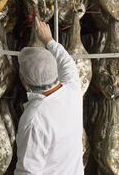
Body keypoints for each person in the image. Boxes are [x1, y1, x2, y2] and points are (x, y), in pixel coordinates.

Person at [14, 17, 84, 175]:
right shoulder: (72, 91)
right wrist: (49, 40)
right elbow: (68, 64)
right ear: (54, 69)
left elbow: (27, 172)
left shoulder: (34, 119)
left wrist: (48, 40)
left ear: (24, 80)